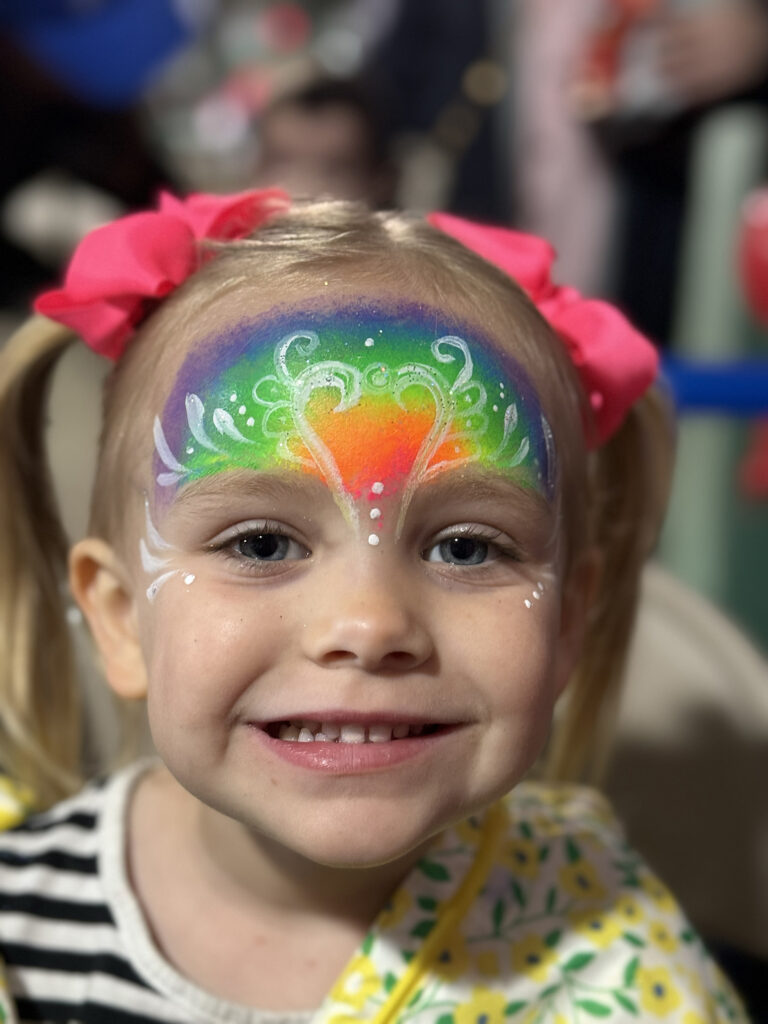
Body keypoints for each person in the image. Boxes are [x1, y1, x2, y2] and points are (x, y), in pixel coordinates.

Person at [0, 189, 749, 1022]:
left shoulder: (611, 951)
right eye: (261, 544)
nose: (370, 625)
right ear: (116, 616)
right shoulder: (17, 919)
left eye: (466, 547)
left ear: (569, 619)